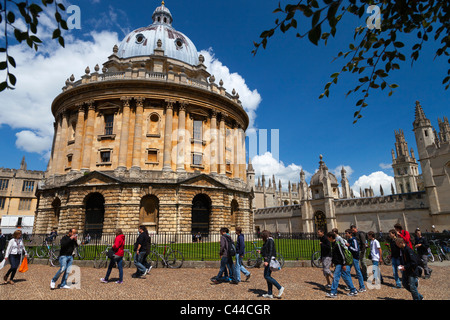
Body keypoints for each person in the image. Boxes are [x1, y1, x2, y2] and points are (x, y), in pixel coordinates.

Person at [326, 231, 358, 298]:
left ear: (331, 237)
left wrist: (343, 264)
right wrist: (332, 262)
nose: (327, 238)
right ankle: (353, 290)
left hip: (340, 263)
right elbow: (335, 254)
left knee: (336, 277)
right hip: (338, 263)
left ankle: (333, 292)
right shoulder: (333, 244)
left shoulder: (337, 244)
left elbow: (342, 255)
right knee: (345, 276)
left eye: (328, 237)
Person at [260, 230, 284, 298]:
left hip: (270, 260)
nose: (262, 239)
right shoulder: (268, 240)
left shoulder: (270, 240)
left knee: (266, 276)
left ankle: (280, 287)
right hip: (268, 260)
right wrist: (261, 252)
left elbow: (270, 251)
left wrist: (267, 261)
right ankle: (270, 293)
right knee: (268, 276)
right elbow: (267, 250)